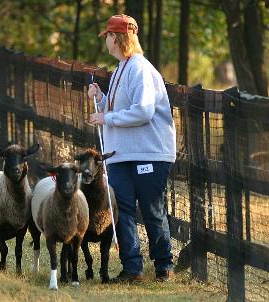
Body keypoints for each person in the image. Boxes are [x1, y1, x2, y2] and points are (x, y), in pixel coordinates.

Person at [88, 14, 176, 283]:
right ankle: (132, 268)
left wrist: (107, 118)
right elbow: (118, 110)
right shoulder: (119, 70)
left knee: (151, 208)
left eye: (109, 37)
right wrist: (101, 100)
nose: (107, 41)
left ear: (117, 38)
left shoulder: (139, 68)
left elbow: (143, 112)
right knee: (122, 209)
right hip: (121, 155)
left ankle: (164, 266)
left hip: (148, 152)